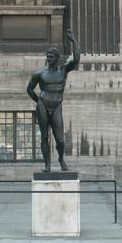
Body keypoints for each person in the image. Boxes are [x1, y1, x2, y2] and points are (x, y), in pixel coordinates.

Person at [27, 29, 80, 172]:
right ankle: (47, 164)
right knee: (44, 137)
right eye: (48, 56)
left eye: (52, 56)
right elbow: (29, 89)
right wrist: (39, 101)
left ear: (57, 58)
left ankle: (61, 159)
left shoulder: (63, 70)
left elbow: (76, 59)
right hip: (43, 104)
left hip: (57, 105)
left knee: (60, 139)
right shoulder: (40, 73)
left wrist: (73, 41)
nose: (49, 58)